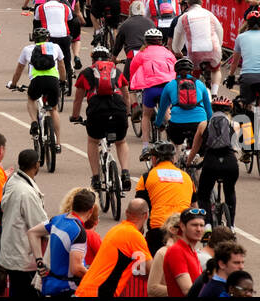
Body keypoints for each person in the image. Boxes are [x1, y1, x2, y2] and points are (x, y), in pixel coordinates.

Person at [69, 46, 131, 191]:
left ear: (92, 59)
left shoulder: (86, 73)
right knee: (120, 142)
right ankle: (125, 173)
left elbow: (77, 100)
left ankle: (96, 178)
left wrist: (75, 116)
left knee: (93, 140)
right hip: (118, 108)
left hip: (97, 110)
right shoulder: (117, 71)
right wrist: (127, 111)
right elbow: (126, 95)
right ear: (109, 58)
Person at [74, 198, 150, 298]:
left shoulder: (115, 230)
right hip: (100, 292)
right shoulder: (134, 236)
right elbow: (150, 270)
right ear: (146, 215)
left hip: (85, 290)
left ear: (126, 213)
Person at [29, 188, 97, 298]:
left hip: (51, 284)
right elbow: (76, 269)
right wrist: (95, 277)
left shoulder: (57, 219)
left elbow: (32, 232)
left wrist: (39, 262)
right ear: (91, 209)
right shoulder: (78, 231)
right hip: (67, 288)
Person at [0, 148, 49, 297]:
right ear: (37, 165)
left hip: (11, 250)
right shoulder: (26, 192)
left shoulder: (12, 180)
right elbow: (39, 224)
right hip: (23, 256)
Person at [134, 140, 194, 255]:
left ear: (154, 159)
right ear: (173, 159)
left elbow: (139, 208)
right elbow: (194, 206)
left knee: (154, 268)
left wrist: (138, 232)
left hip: (158, 228)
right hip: (183, 228)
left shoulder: (147, 177)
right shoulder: (186, 177)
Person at [11, 27, 65, 151]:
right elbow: (62, 66)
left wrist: (13, 83)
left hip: (37, 80)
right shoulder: (55, 47)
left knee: (31, 99)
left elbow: (19, 69)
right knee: (54, 109)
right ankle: (58, 143)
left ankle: (34, 121)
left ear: (34, 39)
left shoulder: (27, 49)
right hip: (52, 80)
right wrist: (62, 81)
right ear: (48, 38)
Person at [129, 27, 177, 140]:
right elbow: (176, 67)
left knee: (146, 116)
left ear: (146, 41)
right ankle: (174, 136)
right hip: (167, 87)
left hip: (151, 89)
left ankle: (145, 146)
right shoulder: (168, 53)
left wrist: (133, 85)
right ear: (161, 41)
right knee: (167, 110)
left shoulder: (141, 53)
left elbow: (133, 69)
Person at [229, 7, 260, 121]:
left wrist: (231, 76)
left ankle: (247, 133)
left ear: (247, 24)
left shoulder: (240, 37)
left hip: (248, 76)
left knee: (246, 103)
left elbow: (234, 62)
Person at [155, 58, 211, 151]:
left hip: (177, 124)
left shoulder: (169, 85)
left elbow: (162, 109)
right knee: (201, 148)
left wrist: (158, 123)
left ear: (176, 72)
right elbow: (208, 110)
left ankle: (175, 159)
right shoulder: (200, 84)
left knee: (175, 144)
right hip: (199, 123)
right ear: (192, 71)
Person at [161, 207, 210, 298]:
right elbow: (188, 290)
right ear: (182, 226)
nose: (199, 229)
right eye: (194, 225)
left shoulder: (192, 251)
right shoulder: (177, 251)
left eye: (201, 225)